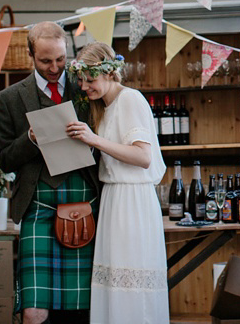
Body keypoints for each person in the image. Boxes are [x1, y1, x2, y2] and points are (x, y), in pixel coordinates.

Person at [0, 22, 100, 324]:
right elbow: (3, 160)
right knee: (33, 311)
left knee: (86, 306)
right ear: (31, 56)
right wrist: (29, 140)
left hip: (88, 201)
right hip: (39, 209)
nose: (54, 68)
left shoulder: (88, 87)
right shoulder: (10, 98)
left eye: (60, 59)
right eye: (45, 61)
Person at [65, 42, 168, 324]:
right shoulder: (104, 107)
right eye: (81, 80)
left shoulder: (130, 99)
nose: (85, 87)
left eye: (91, 79)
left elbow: (143, 156)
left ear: (110, 73)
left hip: (132, 202)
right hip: (113, 200)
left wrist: (93, 139)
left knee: (132, 286)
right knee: (113, 285)